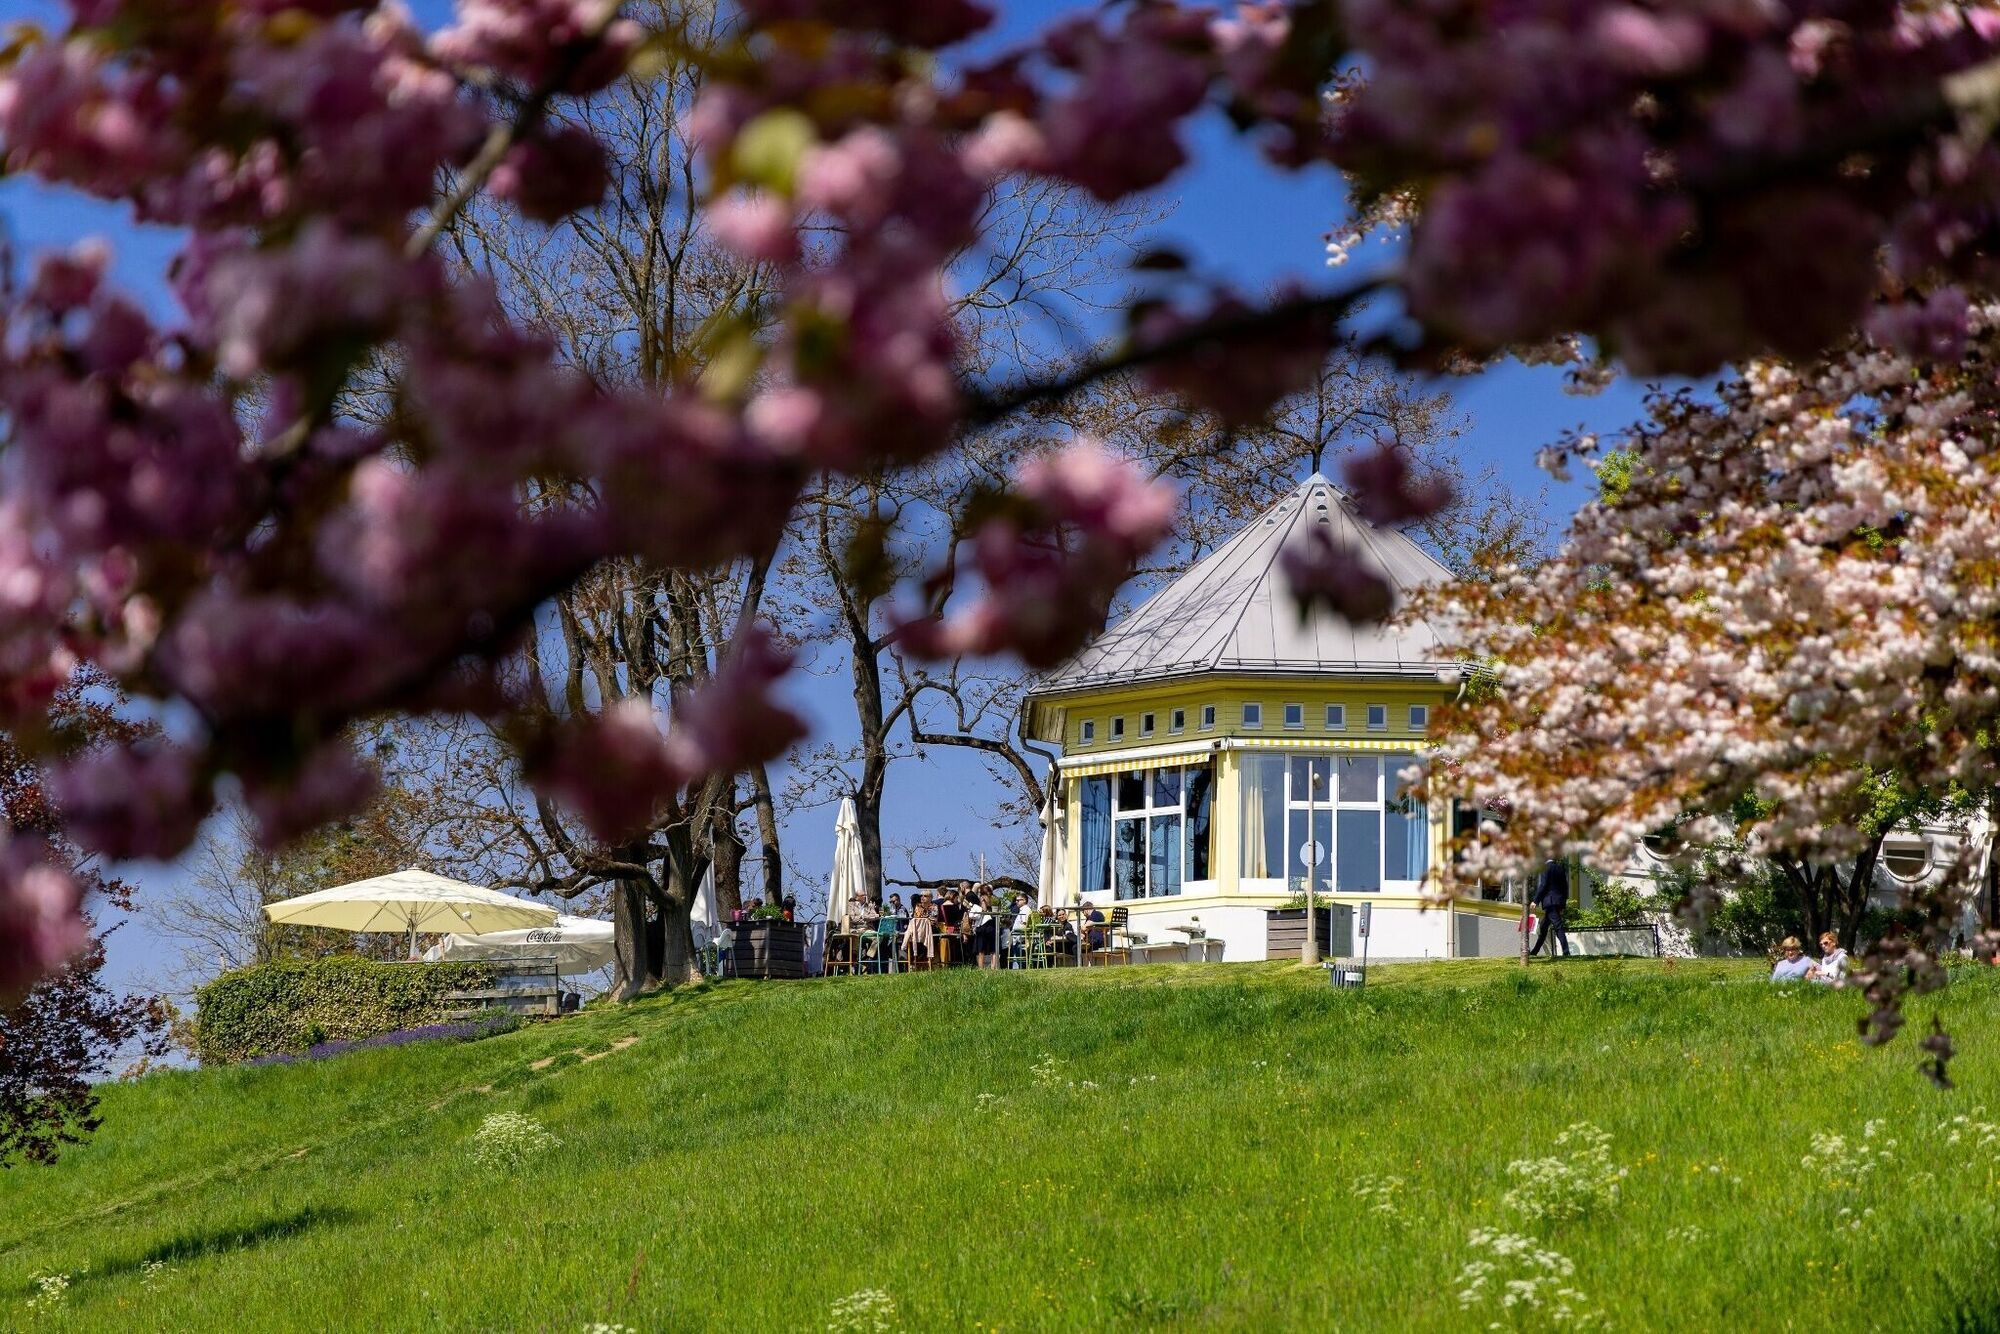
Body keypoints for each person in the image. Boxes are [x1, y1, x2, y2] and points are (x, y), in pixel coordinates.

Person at [1528, 857, 1571, 958]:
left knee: (1558, 926)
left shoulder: (1545, 868)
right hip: (1558, 901)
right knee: (1543, 928)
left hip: (1550, 902)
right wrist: (1562, 904)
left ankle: (1566, 952)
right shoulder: (1560, 868)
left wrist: (1535, 901)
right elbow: (1565, 887)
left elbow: (1543, 885)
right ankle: (1534, 952)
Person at [903, 896, 936, 970]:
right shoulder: (921, 907)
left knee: (908, 939)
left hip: (919, 934)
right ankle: (917, 964)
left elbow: (915, 920)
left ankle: (913, 963)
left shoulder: (921, 907)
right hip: (923, 935)